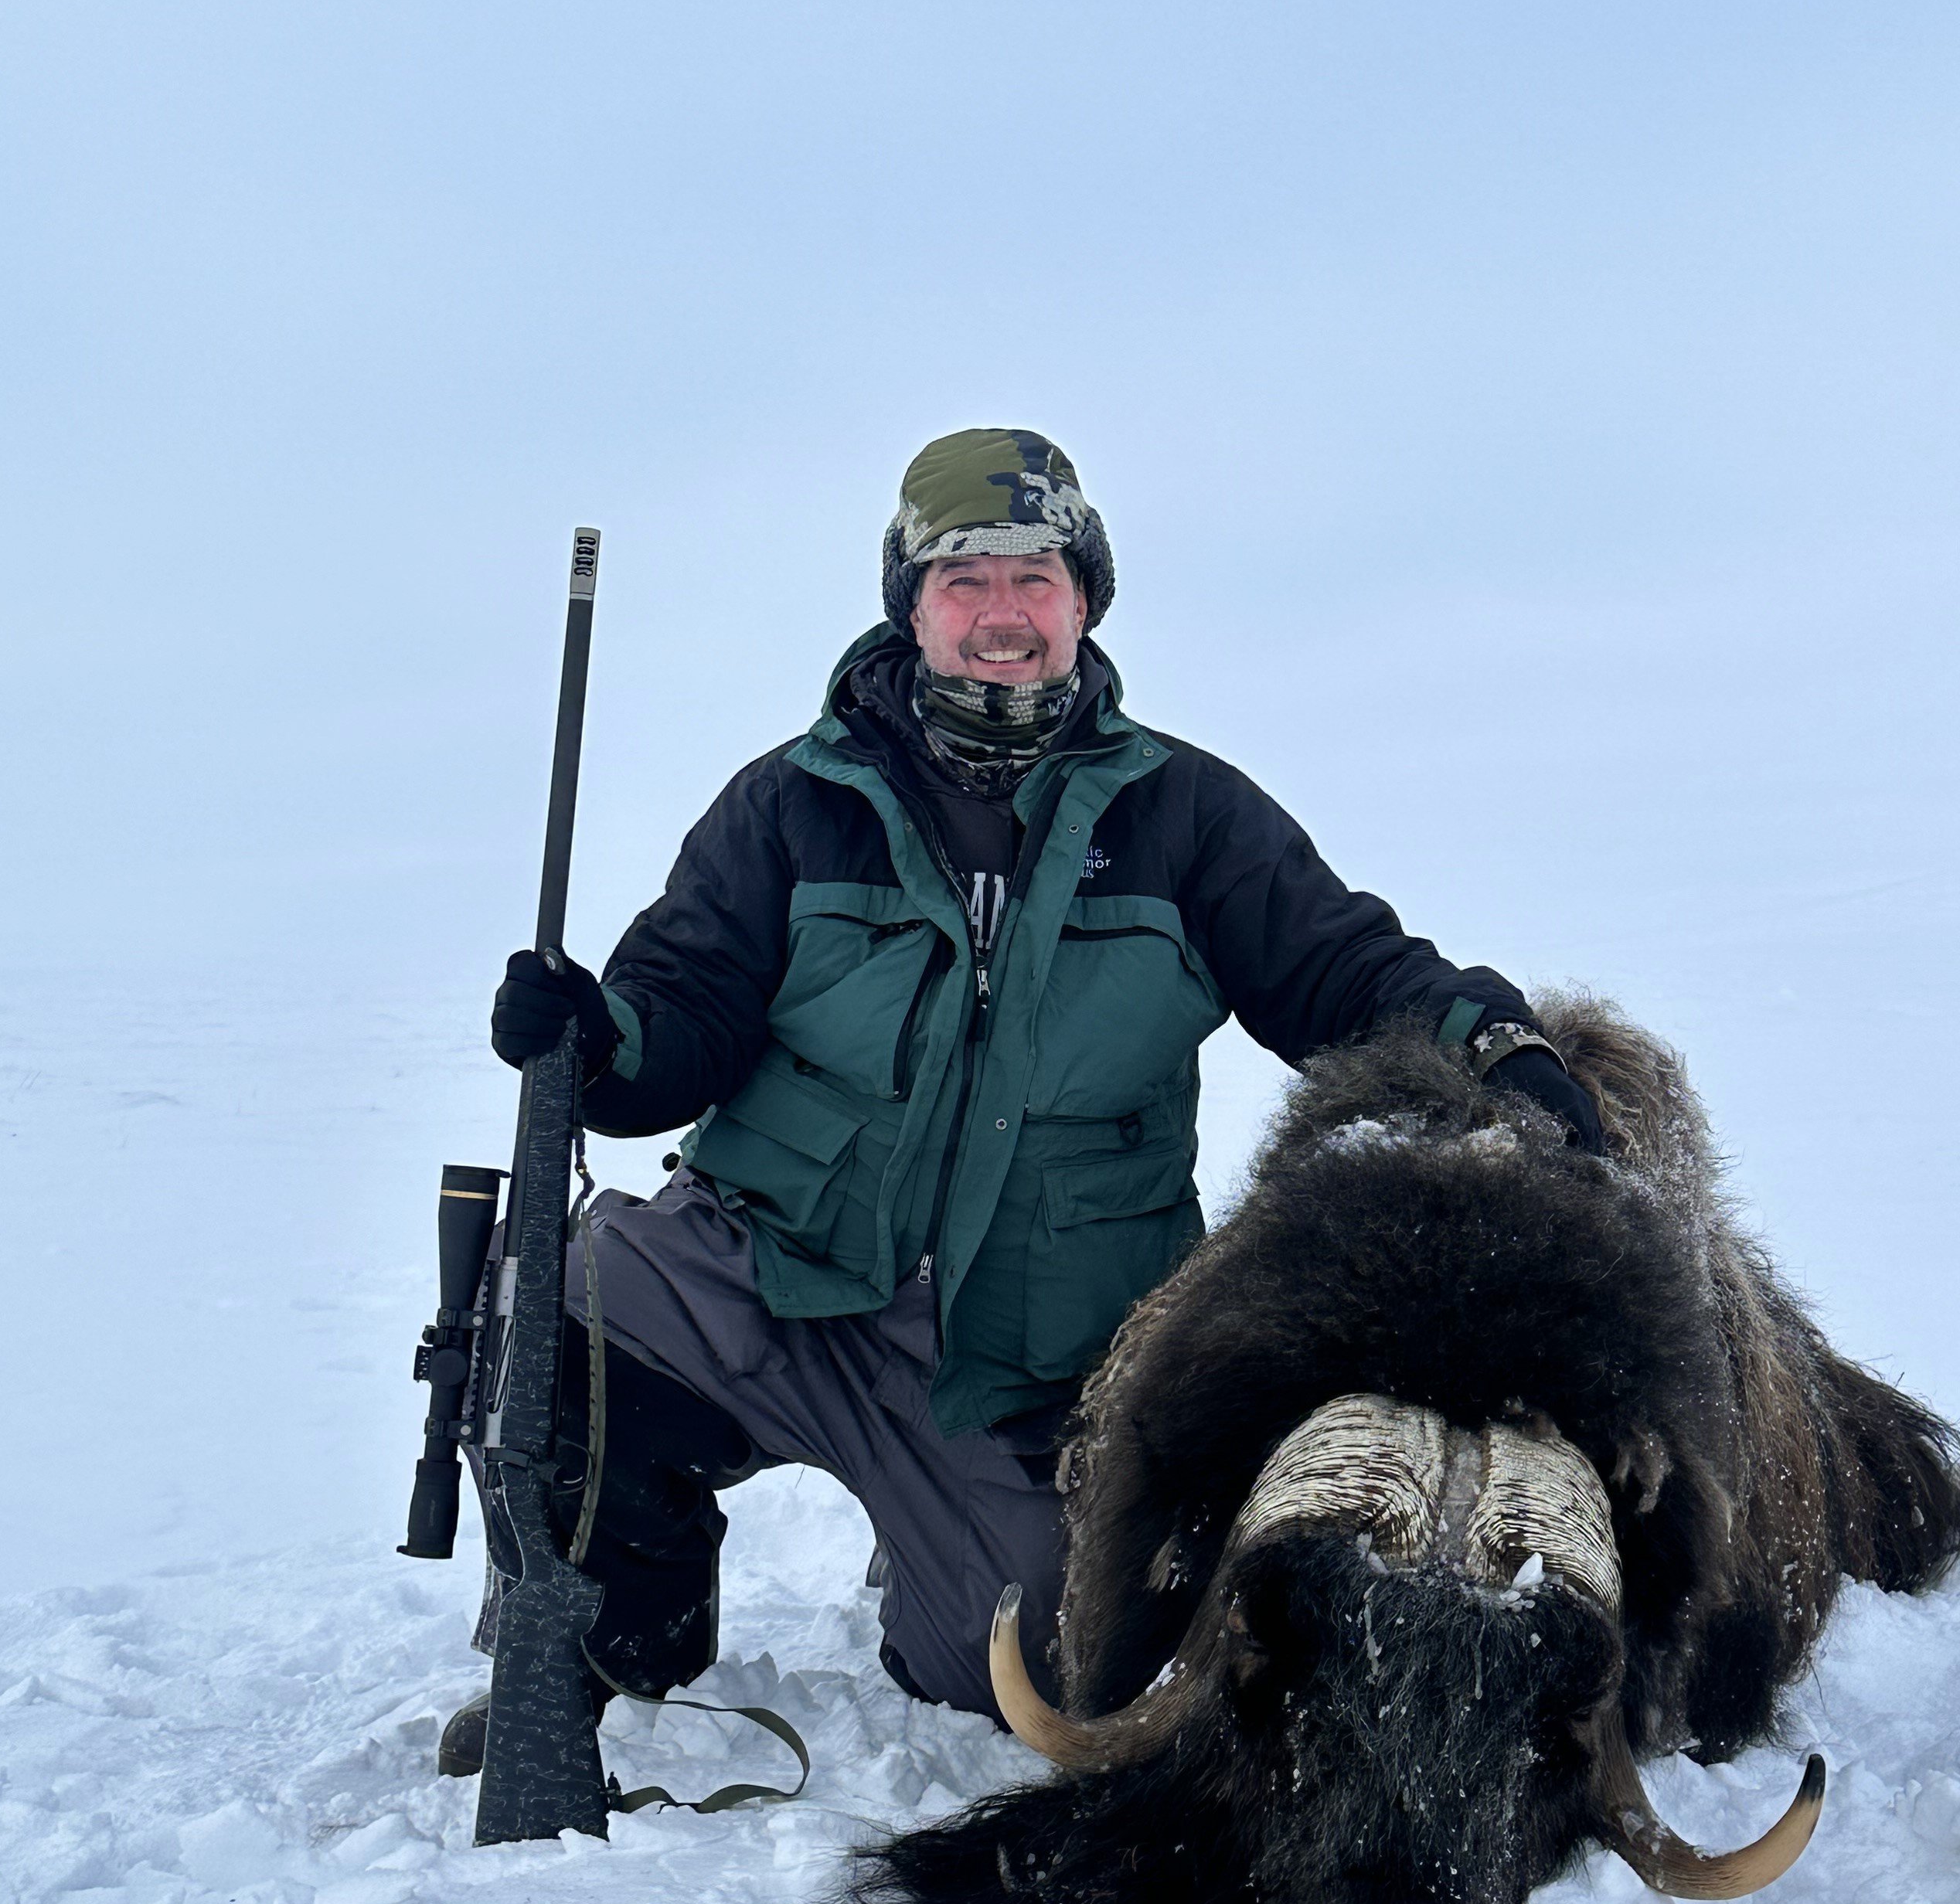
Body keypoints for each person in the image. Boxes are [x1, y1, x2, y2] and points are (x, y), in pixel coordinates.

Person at [446, 427, 1602, 1772]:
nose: (1004, 616)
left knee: (1045, 1676)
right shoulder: (789, 807)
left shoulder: (1190, 817)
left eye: (1036, 580)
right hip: (769, 1268)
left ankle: (930, 1569)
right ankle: (603, 1643)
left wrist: (1495, 1048)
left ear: (1086, 600)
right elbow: (679, 1017)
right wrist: (598, 1038)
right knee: (559, 1309)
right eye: (965, 581)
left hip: (1023, 1353)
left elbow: (1345, 969)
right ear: (912, 607)